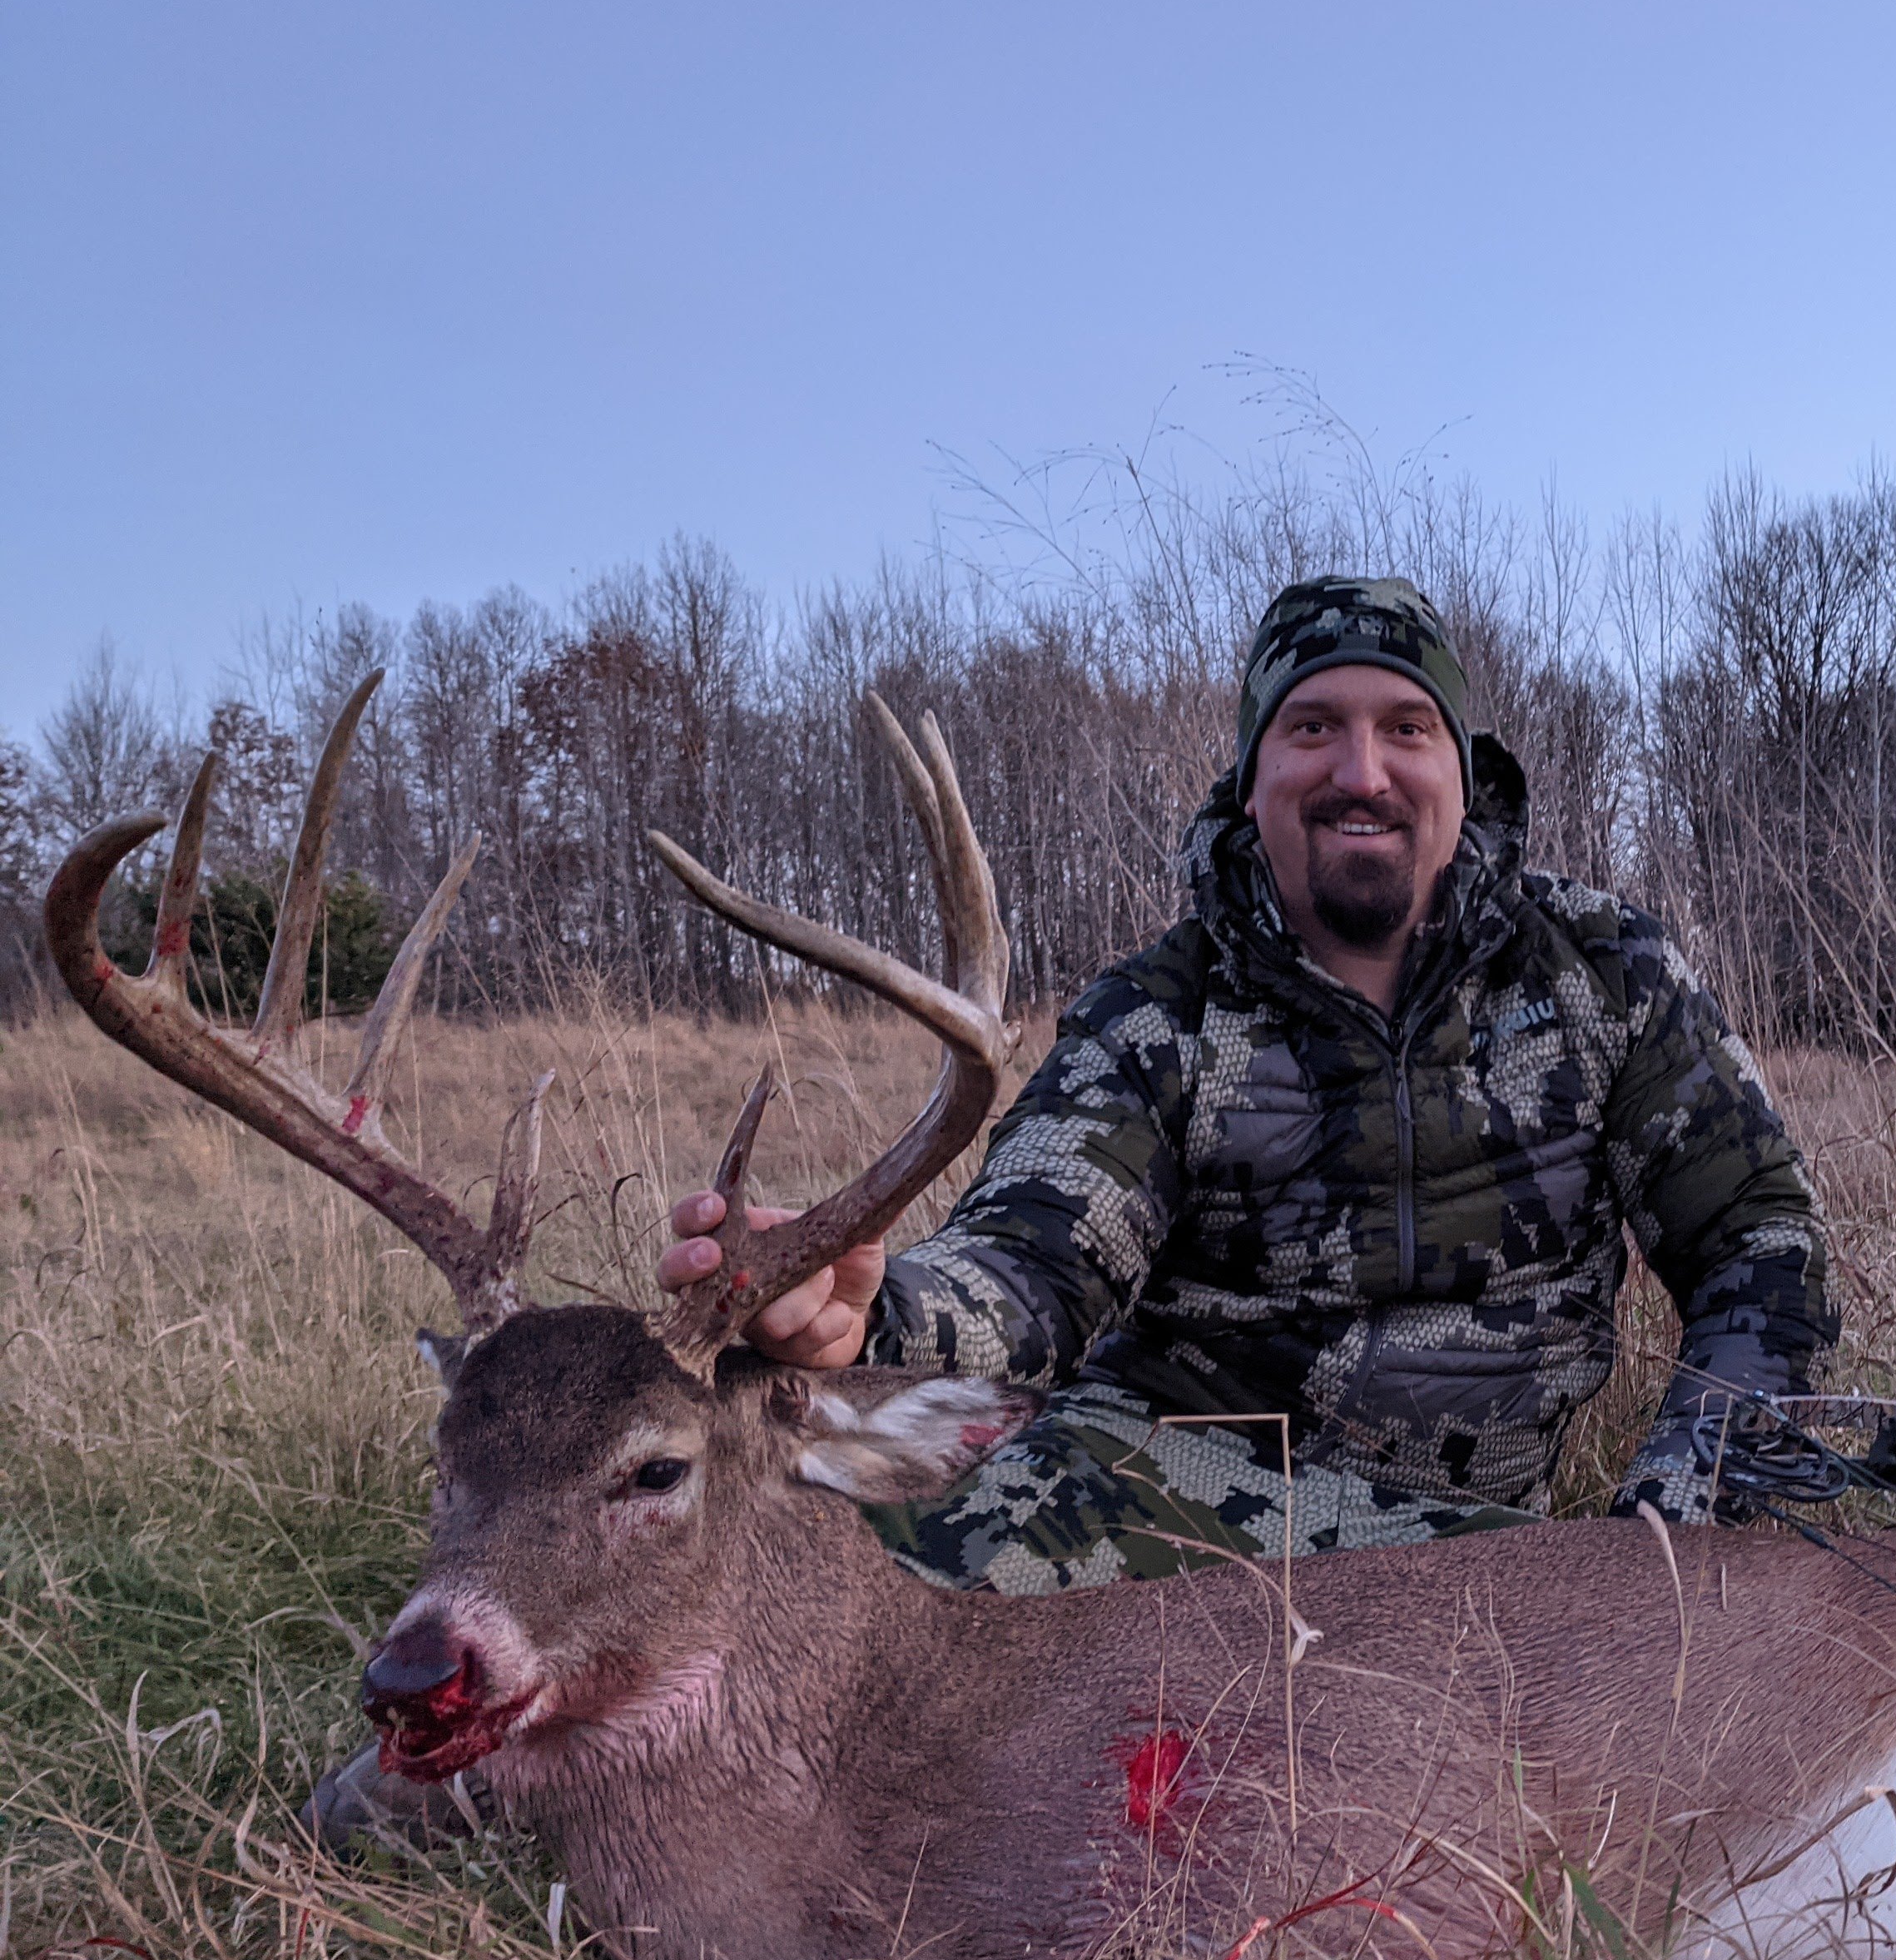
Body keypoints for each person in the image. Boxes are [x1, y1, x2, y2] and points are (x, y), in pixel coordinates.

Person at [661, 574, 1836, 1591]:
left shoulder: (1601, 971)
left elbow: (1756, 1239)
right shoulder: (1161, 1013)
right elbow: (1031, 1264)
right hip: (1167, 1502)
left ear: (1464, 772)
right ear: (1253, 775)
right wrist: (873, 1316)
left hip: (1482, 1552)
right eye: (1313, 727)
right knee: (794, 1550)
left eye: (1407, 728)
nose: (1361, 772)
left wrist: (1685, 1520)